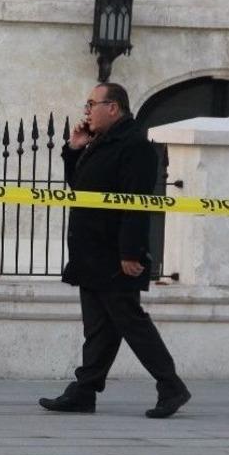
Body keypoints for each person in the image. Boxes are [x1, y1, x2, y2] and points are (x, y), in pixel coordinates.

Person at [38, 83, 191, 418]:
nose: (87, 111)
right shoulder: (100, 143)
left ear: (113, 107)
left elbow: (137, 203)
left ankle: (171, 385)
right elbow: (80, 188)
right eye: (87, 104)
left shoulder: (134, 146)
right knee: (99, 328)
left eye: (92, 104)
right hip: (90, 251)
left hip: (114, 254)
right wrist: (74, 149)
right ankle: (84, 391)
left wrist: (131, 252)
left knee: (131, 322)